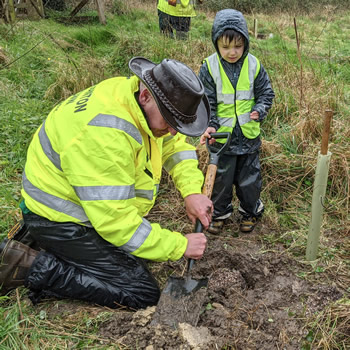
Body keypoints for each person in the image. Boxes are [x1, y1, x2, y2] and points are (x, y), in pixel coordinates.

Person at [0, 57, 213, 310]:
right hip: (59, 219)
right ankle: (32, 266)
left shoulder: (134, 98)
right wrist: (180, 246)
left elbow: (174, 147)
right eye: (170, 122)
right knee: (141, 294)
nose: (173, 132)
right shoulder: (105, 135)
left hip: (88, 206)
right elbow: (116, 222)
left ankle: (53, 248)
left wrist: (191, 192)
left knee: (137, 257)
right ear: (146, 95)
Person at [199, 9, 275, 234]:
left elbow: (266, 93)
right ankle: (220, 214)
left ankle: (249, 212)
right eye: (225, 47)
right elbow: (206, 101)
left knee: (249, 180)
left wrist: (260, 109)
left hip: (249, 137)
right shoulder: (208, 67)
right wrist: (210, 124)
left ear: (246, 43)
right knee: (221, 180)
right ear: (216, 44)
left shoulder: (254, 65)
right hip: (221, 137)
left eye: (238, 46)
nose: (232, 52)